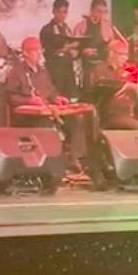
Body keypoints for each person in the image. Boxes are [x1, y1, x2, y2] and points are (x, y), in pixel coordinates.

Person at [6, 37, 100, 185]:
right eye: (35, 50)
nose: (39, 53)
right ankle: (54, 164)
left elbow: (51, 92)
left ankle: (75, 160)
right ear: (25, 53)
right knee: (46, 125)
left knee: (76, 120)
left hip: (47, 111)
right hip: (27, 117)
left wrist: (57, 98)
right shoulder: (16, 72)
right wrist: (29, 101)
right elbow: (11, 97)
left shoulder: (43, 71)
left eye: (40, 50)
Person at [88, 40, 138, 129]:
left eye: (127, 55)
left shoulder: (125, 71)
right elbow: (103, 85)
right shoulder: (100, 69)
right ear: (111, 54)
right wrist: (125, 85)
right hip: (111, 115)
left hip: (131, 113)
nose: (126, 58)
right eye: (122, 54)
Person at [39, 0, 79, 98]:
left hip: (68, 69)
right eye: (59, 12)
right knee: (57, 97)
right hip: (55, 70)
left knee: (71, 97)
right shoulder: (47, 29)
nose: (62, 15)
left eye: (65, 12)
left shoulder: (67, 29)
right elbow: (47, 53)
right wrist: (64, 49)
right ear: (53, 11)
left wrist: (74, 51)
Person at [73, 0, 115, 88]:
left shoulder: (107, 26)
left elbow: (112, 47)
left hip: (103, 67)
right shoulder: (81, 26)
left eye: (104, 12)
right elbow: (73, 49)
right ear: (92, 10)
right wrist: (83, 51)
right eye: (99, 11)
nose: (101, 15)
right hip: (86, 67)